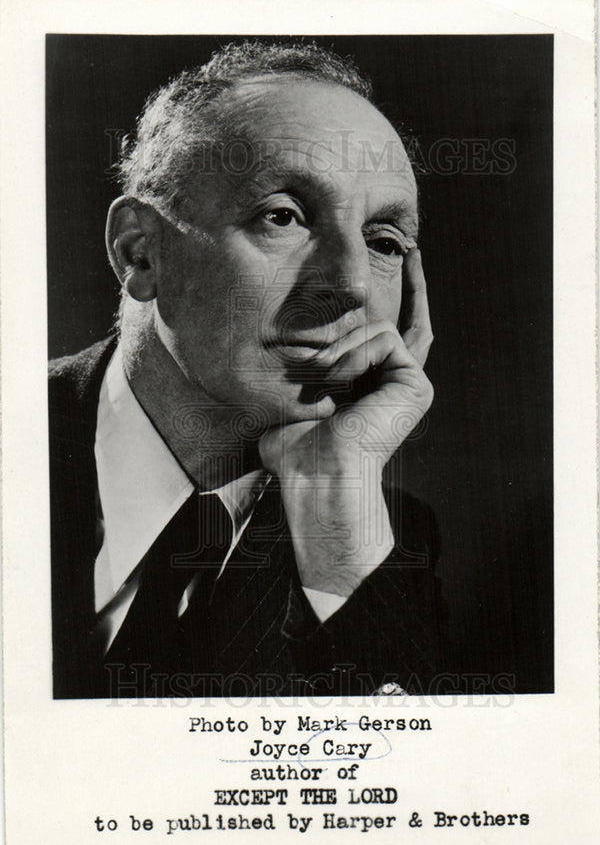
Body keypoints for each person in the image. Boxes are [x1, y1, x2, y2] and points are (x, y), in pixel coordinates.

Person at [49, 40, 446, 699]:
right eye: (283, 217)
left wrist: (336, 511)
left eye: (383, 242)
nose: (350, 285)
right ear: (141, 252)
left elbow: (405, 762)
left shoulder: (380, 535)